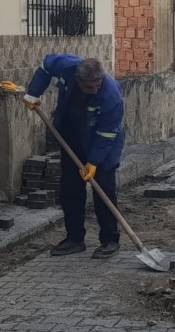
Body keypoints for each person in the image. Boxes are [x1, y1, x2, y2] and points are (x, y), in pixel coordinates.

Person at [23, 54, 125, 259]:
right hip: (71, 135)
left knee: (103, 189)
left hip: (103, 144)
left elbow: (107, 132)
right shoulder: (67, 66)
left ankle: (109, 240)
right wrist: (33, 93)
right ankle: (74, 238)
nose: (94, 89)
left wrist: (94, 162)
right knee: (70, 187)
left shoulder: (111, 95)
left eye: (97, 85)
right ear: (78, 80)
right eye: (89, 87)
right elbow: (46, 65)